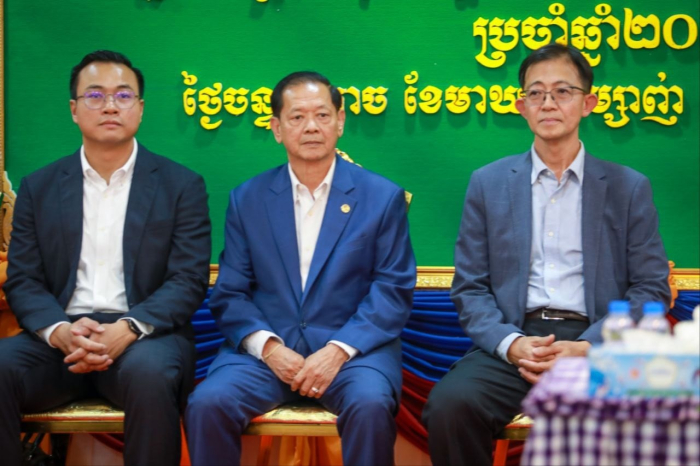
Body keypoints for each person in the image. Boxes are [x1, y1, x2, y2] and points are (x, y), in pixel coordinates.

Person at [423, 43, 671, 465]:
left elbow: (650, 288)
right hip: (516, 340)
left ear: (588, 103)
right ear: (522, 106)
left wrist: (589, 347)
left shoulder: (628, 187)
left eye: (562, 91)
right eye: (536, 93)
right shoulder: (488, 183)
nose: (548, 103)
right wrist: (512, 344)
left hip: (594, 340)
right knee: (451, 407)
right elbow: (470, 287)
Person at [185, 71, 416, 466]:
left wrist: (337, 351)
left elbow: (392, 290)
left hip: (352, 356)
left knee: (370, 404)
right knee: (208, 403)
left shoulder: (381, 197)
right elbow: (230, 293)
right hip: (267, 357)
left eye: (322, 115)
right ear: (277, 128)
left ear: (340, 121)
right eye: (297, 117)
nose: (311, 127)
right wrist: (271, 349)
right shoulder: (248, 199)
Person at [0, 50, 211, 466]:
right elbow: (23, 279)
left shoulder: (181, 186)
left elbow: (188, 279)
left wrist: (129, 328)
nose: (110, 106)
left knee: (151, 375)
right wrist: (60, 331)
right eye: (95, 95)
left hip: (146, 338)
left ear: (141, 108)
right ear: (74, 109)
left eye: (123, 95)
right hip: (60, 340)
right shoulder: (39, 187)